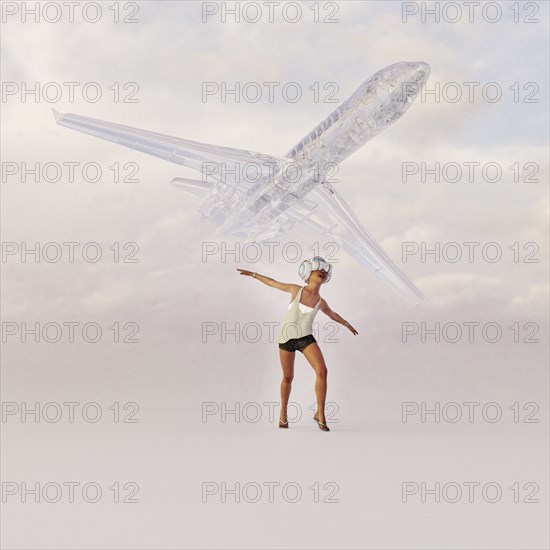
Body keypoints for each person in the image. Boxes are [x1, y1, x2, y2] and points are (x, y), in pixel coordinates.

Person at [237, 256, 358, 432]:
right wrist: (254, 274)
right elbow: (273, 283)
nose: (322, 273)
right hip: (286, 339)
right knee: (288, 378)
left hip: (305, 339)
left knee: (322, 371)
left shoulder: (320, 302)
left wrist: (347, 324)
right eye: (319, 270)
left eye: (325, 271)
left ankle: (320, 414)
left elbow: (332, 314)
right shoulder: (296, 290)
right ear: (308, 274)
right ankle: (283, 414)